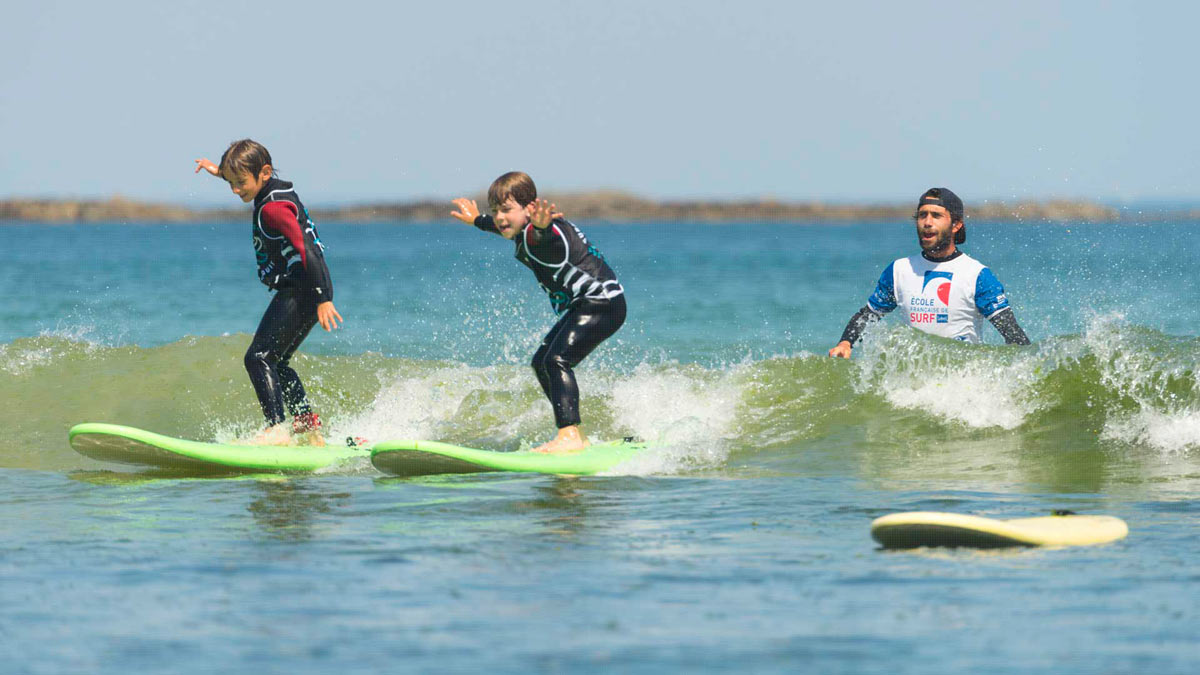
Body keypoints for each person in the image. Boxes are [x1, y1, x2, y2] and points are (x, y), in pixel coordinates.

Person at [450, 171, 625, 454]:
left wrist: (543, 226)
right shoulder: (521, 228)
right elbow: (503, 226)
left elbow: (544, 236)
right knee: (541, 362)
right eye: (495, 211)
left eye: (506, 209)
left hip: (602, 303)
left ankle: (568, 436)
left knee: (556, 360)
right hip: (590, 303)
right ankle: (576, 435)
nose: (500, 217)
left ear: (530, 209)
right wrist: (476, 220)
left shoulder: (542, 233)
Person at [194, 139, 343, 445]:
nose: (236, 190)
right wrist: (217, 170)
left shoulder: (273, 209)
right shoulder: (271, 188)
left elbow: (307, 249)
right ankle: (309, 431)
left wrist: (322, 298)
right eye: (230, 183)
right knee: (278, 361)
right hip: (307, 287)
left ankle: (276, 429)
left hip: (303, 288)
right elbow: (240, 175)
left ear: (262, 173)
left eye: (240, 183)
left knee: (258, 358)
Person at [829, 187, 1029, 358]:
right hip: (915, 382)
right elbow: (869, 315)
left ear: (956, 225)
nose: (927, 222)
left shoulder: (977, 275)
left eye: (936, 215)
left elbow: (1012, 333)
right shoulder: (899, 270)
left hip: (963, 382)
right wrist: (846, 343)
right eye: (922, 215)